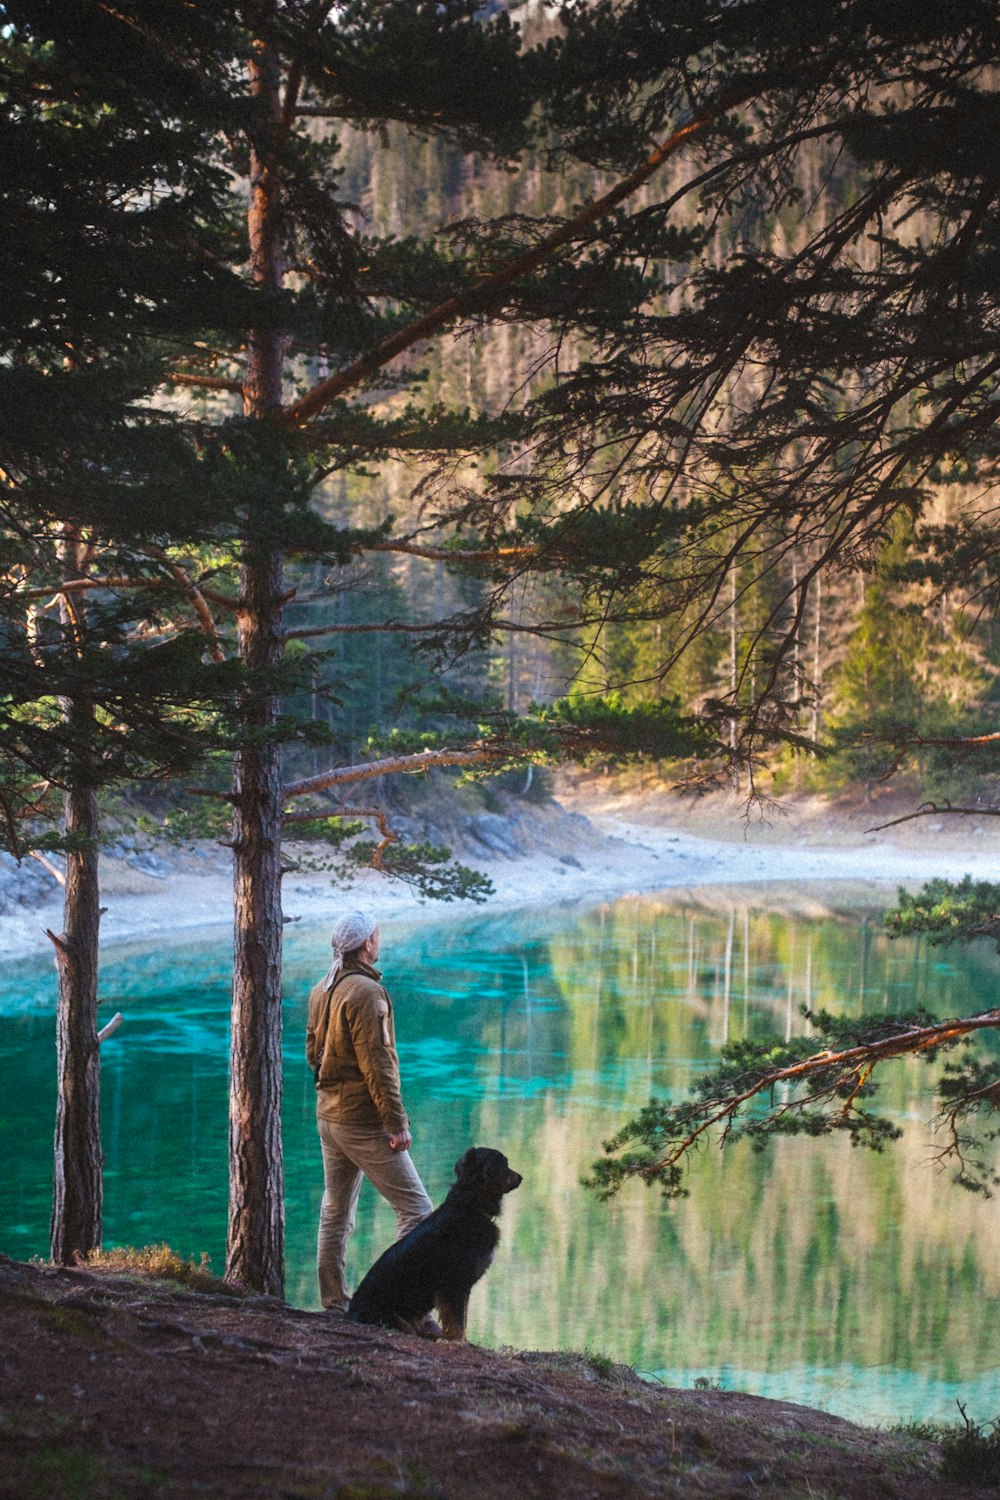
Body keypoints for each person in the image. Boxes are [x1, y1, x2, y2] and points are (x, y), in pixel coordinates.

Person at [305, 908, 433, 1312]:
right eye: (377, 935)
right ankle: (399, 1305)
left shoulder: (321, 989)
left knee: (335, 1211)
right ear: (366, 945)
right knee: (418, 1211)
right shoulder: (366, 993)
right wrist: (395, 1124)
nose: (380, 941)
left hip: (329, 1117)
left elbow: (312, 1052)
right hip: (362, 1123)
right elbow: (379, 1067)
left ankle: (335, 1304)